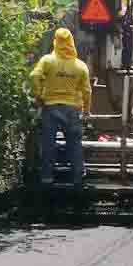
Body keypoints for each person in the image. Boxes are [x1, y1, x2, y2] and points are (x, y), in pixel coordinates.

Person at [31, 28, 92, 191]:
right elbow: (87, 91)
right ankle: (78, 178)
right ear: (72, 42)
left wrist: (38, 96)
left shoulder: (47, 61)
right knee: (74, 144)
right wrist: (86, 110)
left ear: (55, 42)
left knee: (48, 144)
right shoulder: (80, 66)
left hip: (50, 108)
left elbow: (34, 76)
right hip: (72, 110)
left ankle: (46, 178)